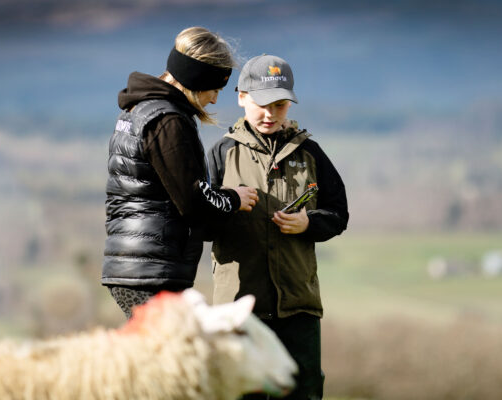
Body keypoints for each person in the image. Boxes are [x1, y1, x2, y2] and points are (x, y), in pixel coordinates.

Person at [207, 54, 349, 400]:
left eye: (280, 105)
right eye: (261, 103)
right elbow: (199, 220)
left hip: (298, 309)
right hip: (238, 311)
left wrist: (308, 223)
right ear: (241, 96)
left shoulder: (311, 153)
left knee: (303, 393)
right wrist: (230, 204)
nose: (270, 114)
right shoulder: (220, 154)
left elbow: (338, 215)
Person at [102, 27, 258, 319]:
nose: (214, 100)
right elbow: (193, 201)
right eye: (216, 89)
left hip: (133, 264)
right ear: (198, 80)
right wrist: (234, 199)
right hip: (153, 270)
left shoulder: (138, 110)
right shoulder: (168, 121)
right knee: (163, 360)